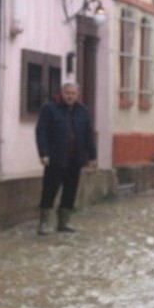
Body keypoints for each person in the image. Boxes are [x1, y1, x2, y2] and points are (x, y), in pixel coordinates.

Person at [35, 82, 97, 235]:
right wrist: (44, 153)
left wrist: (92, 156)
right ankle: (44, 223)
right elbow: (41, 132)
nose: (70, 96)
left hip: (75, 158)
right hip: (55, 158)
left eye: (73, 93)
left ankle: (64, 222)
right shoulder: (50, 109)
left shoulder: (83, 111)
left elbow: (88, 134)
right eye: (67, 93)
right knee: (50, 189)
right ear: (62, 93)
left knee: (70, 190)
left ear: (78, 95)